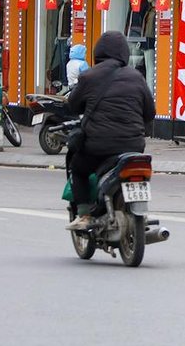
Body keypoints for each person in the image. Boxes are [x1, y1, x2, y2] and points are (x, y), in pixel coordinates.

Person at [65, 31, 156, 231]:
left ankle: (85, 214)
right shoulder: (136, 76)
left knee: (78, 167)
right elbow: (150, 111)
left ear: (99, 53)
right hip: (134, 146)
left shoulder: (89, 76)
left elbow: (73, 106)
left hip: (99, 147)